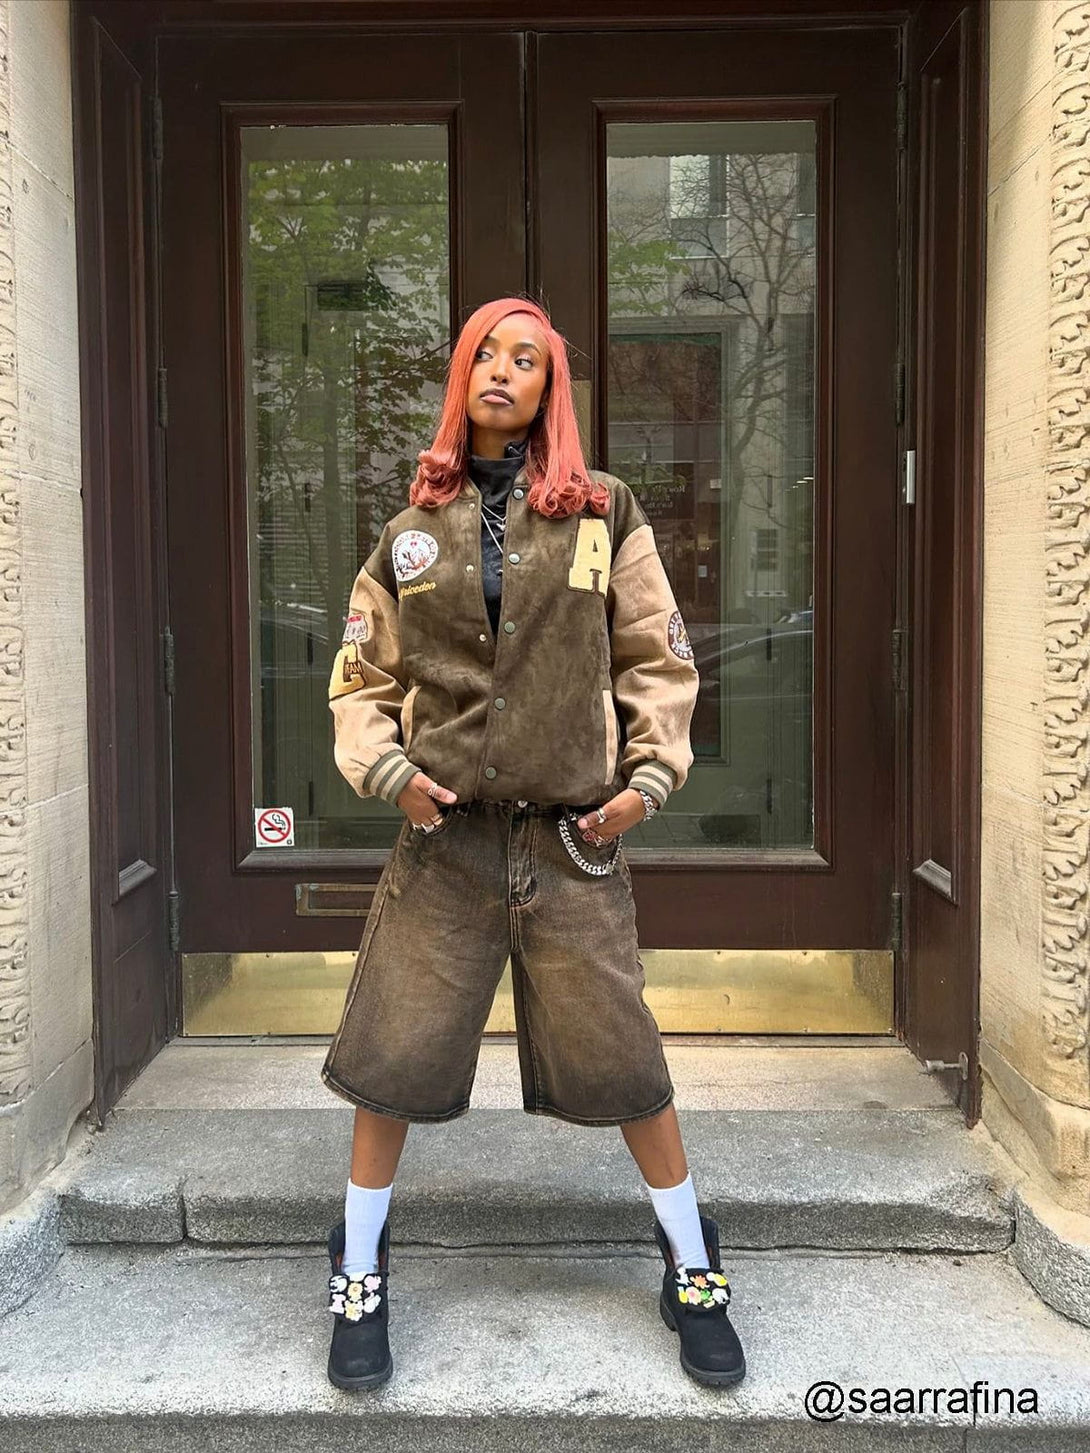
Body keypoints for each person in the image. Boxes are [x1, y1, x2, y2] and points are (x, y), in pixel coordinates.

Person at [320, 295, 745, 1394]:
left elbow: (655, 653)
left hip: (573, 842)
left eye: (526, 358)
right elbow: (362, 672)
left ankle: (690, 1258)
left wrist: (646, 782)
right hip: (446, 843)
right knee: (394, 1057)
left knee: (625, 1058)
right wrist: (390, 776)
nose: (502, 372)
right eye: (485, 356)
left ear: (552, 386)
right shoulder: (411, 528)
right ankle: (358, 1263)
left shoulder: (604, 509)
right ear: (461, 378)